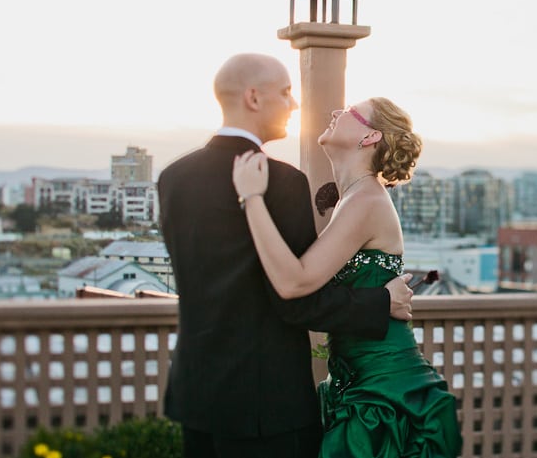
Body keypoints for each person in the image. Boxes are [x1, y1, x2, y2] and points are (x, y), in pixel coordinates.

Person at [157, 54, 415, 458]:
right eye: (285, 93)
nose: (294, 104)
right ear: (254, 98)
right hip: (267, 404)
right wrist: (380, 302)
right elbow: (293, 299)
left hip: (197, 393)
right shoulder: (282, 183)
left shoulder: (174, 178)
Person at [232, 97, 463, 457]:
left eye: (349, 112)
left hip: (384, 394)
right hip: (351, 383)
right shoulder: (353, 198)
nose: (335, 112)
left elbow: (296, 282)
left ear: (370, 137)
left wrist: (252, 198)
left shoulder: (366, 201)